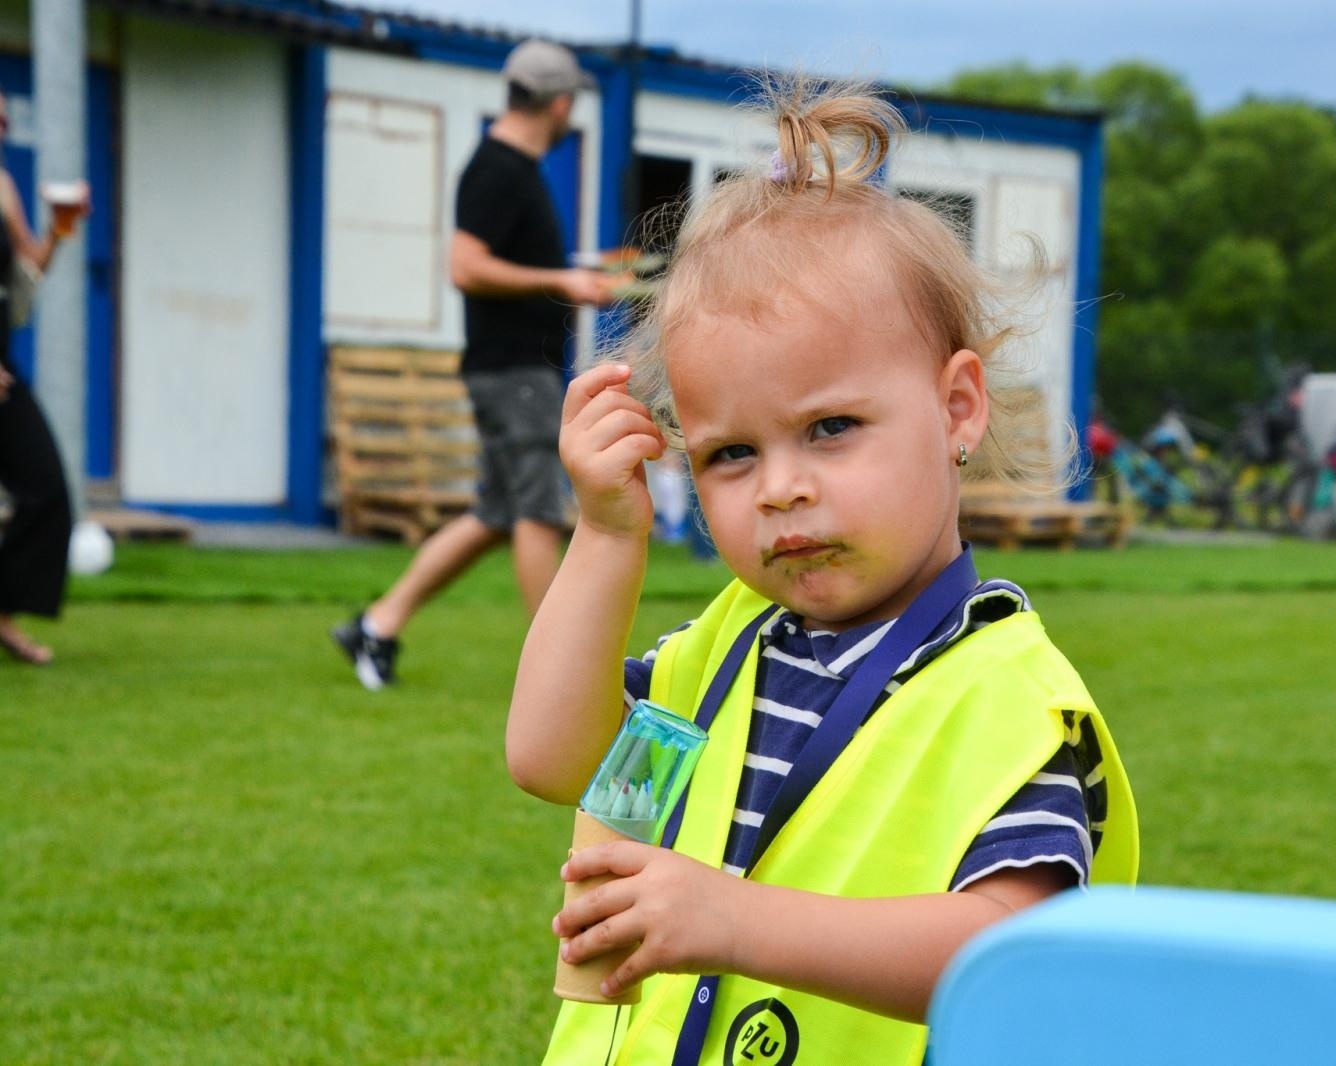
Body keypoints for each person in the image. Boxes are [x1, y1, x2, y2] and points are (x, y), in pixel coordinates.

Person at [506, 81, 1139, 1064]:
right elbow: (552, 758)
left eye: (830, 428)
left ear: (958, 408)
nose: (780, 489)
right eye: (730, 454)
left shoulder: (1004, 700)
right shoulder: (720, 650)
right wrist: (604, 534)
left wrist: (738, 921)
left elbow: (1015, 952)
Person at [332, 39, 620, 690]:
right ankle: (563, 674)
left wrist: (576, 271)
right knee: (540, 512)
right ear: (561, 103)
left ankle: (376, 626)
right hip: (515, 374)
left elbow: (502, 259)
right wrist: (563, 279)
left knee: (496, 516)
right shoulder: (499, 169)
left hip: (513, 371)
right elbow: (465, 266)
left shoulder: (512, 168)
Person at [0, 86, 85, 666]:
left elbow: (26, 272)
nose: (3, 122)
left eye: (4, 116)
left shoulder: (2, 185)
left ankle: (2, 614)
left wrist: (59, 230)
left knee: (47, 492)